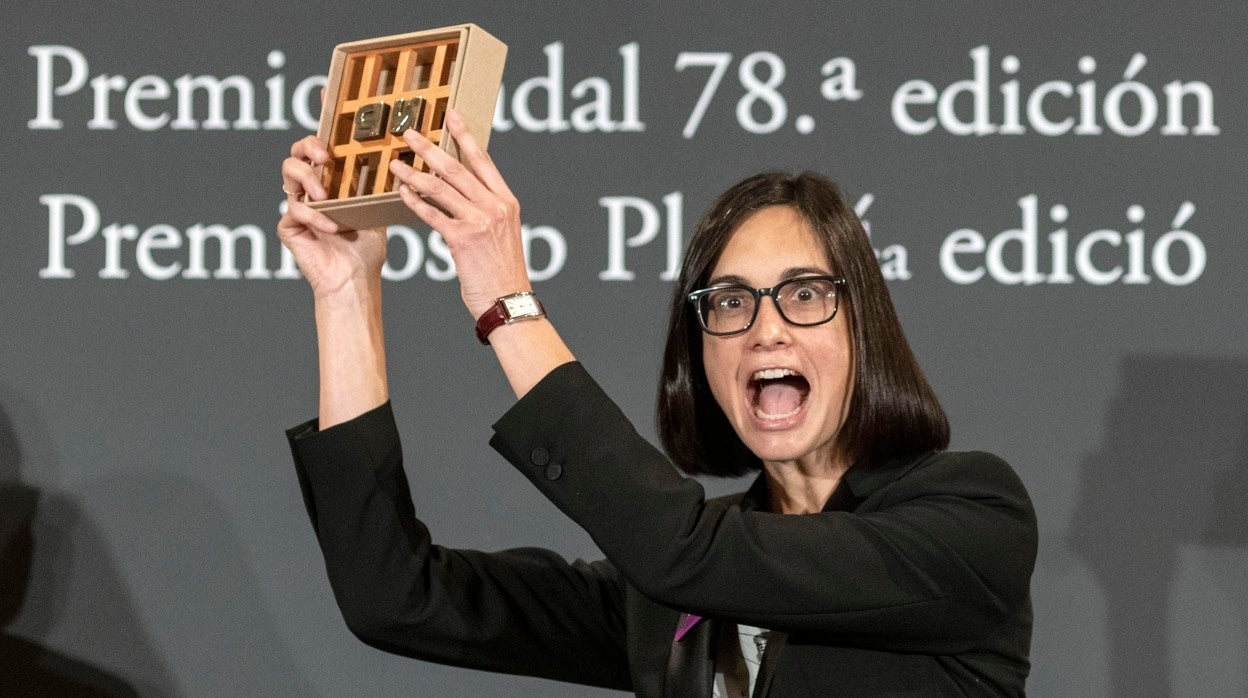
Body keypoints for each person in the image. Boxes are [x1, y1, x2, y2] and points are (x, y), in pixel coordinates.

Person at [278, 110, 1037, 697]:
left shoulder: (972, 516)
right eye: (730, 302)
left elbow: (686, 553)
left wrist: (506, 303)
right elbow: (395, 596)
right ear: (698, 349)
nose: (766, 330)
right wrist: (346, 293)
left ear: (864, 326)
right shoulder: (664, 593)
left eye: (805, 295)